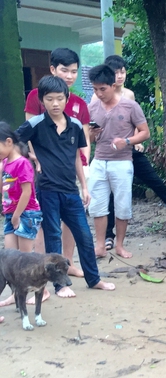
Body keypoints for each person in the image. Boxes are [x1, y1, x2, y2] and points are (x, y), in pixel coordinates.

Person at [15, 76, 115, 296]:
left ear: (66, 98)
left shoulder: (76, 125)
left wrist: (84, 187)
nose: (55, 103)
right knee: (53, 236)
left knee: (84, 236)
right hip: (47, 189)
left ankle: (94, 279)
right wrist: (32, 157)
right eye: (49, 99)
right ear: (42, 101)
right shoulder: (35, 124)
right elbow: (13, 142)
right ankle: (59, 285)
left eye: (59, 98)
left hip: (70, 190)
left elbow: (77, 158)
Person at [93, 55, 166, 249]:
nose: (120, 76)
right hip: (107, 154)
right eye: (116, 73)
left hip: (130, 150)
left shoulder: (129, 96)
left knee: (155, 182)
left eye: (122, 71)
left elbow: (133, 123)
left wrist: (133, 141)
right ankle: (108, 236)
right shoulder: (96, 98)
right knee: (108, 196)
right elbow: (96, 126)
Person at [24, 47, 90, 279]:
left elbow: (84, 136)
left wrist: (86, 162)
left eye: (74, 71)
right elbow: (29, 129)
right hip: (45, 172)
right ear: (53, 70)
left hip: (73, 169)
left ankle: (67, 263)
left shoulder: (79, 103)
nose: (70, 76)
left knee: (72, 221)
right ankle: (43, 266)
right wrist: (35, 160)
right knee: (45, 221)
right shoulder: (36, 96)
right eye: (65, 70)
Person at [88, 64, 150, 259]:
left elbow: (145, 132)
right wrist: (91, 134)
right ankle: (99, 245)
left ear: (113, 85)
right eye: (95, 89)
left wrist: (127, 141)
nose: (98, 93)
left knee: (123, 205)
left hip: (122, 162)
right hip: (98, 160)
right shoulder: (92, 107)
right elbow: (87, 140)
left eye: (102, 89)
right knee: (97, 204)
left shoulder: (130, 106)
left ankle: (120, 245)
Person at [0, 123, 43, 315]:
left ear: (9, 142)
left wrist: (16, 216)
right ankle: (16, 293)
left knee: (25, 258)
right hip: (11, 214)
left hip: (26, 214)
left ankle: (36, 290)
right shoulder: (5, 163)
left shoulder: (22, 163)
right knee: (10, 257)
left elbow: (27, 193)